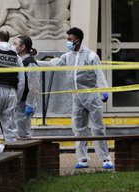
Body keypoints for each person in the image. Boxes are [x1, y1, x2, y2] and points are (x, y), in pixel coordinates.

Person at [37, 27, 113, 169]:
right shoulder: (67, 56)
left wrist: (104, 90)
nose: (68, 42)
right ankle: (82, 158)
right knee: (78, 128)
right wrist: (34, 62)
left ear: (77, 40)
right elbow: (53, 63)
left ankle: (105, 159)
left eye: (70, 39)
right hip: (76, 97)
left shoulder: (91, 56)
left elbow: (99, 73)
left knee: (97, 128)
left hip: (91, 95)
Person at [12, 35, 40, 138]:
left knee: (23, 133)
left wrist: (30, 104)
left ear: (23, 47)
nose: (12, 46)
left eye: (15, 44)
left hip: (24, 103)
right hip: (17, 102)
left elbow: (34, 86)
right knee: (16, 132)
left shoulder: (30, 63)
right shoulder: (18, 61)